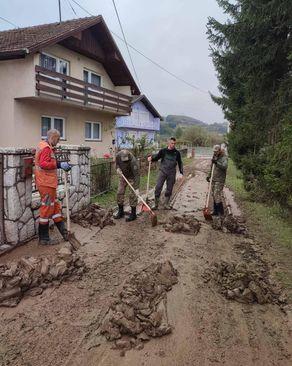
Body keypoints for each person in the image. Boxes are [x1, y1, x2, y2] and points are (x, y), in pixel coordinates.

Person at [35, 129, 71, 245]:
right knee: (46, 209)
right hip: (46, 183)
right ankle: (44, 239)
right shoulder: (46, 148)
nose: (58, 141)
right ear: (53, 137)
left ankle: (64, 232)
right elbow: (43, 164)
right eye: (58, 139)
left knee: (55, 207)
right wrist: (59, 165)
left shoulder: (44, 146)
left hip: (48, 184)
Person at [148, 137, 183, 210]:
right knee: (158, 187)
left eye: (174, 143)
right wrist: (151, 158)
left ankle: (166, 204)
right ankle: (156, 204)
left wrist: (181, 172)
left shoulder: (177, 152)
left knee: (169, 188)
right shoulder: (163, 151)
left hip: (172, 173)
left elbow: (180, 162)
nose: (173, 145)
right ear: (168, 143)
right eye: (172, 143)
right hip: (162, 171)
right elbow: (157, 157)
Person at [114, 149, 140, 222]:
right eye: (123, 160)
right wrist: (118, 169)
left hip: (132, 177)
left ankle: (133, 214)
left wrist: (136, 188)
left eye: (126, 160)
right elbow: (116, 164)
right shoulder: (118, 156)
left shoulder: (133, 161)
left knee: (132, 194)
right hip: (123, 176)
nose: (125, 161)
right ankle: (121, 211)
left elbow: (137, 175)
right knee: (119, 192)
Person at [206, 144, 228, 216]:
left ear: (219, 151)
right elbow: (211, 167)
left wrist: (217, 162)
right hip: (213, 178)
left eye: (216, 151)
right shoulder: (214, 156)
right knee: (213, 194)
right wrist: (209, 176)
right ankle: (215, 211)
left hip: (220, 179)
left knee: (216, 194)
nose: (215, 153)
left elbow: (225, 166)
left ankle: (221, 212)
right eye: (214, 151)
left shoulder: (224, 157)